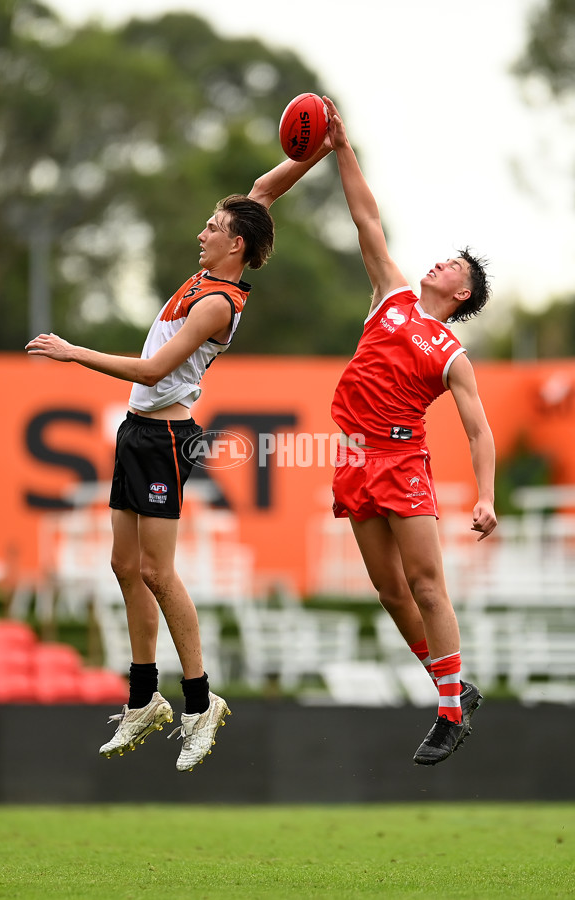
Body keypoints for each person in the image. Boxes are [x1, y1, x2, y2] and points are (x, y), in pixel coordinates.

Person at [26, 146, 330, 772]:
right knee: (123, 564)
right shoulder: (220, 262)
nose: (203, 231)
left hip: (167, 439)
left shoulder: (218, 303)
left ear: (238, 247)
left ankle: (199, 701)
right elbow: (264, 189)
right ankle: (144, 698)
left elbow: (154, 369)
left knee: (160, 573)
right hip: (138, 433)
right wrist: (322, 146)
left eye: (215, 228)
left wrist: (72, 352)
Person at [323, 96, 497, 765]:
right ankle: (453, 686)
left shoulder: (451, 353)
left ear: (463, 294)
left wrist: (484, 496)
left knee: (428, 587)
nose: (442, 263)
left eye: (456, 266)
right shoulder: (390, 295)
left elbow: (479, 432)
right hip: (354, 460)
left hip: (401, 464)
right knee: (390, 591)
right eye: (447, 258)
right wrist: (342, 146)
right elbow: (365, 217)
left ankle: (450, 712)